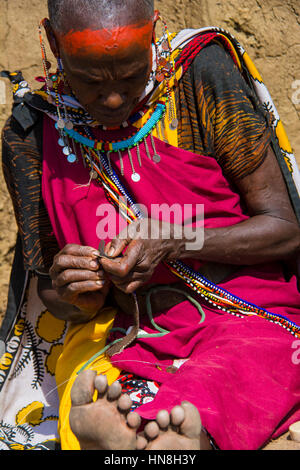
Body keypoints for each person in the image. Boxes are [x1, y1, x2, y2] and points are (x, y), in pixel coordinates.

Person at [0, 0, 300, 451]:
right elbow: (51, 295)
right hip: (126, 327)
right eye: (90, 81)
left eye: (131, 74)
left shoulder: (200, 74)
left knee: (236, 370)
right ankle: (138, 429)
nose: (115, 98)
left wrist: (176, 241)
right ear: (53, 41)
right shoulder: (31, 131)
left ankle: (169, 435)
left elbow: (285, 228)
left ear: (154, 31)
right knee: (93, 382)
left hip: (241, 310)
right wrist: (74, 290)